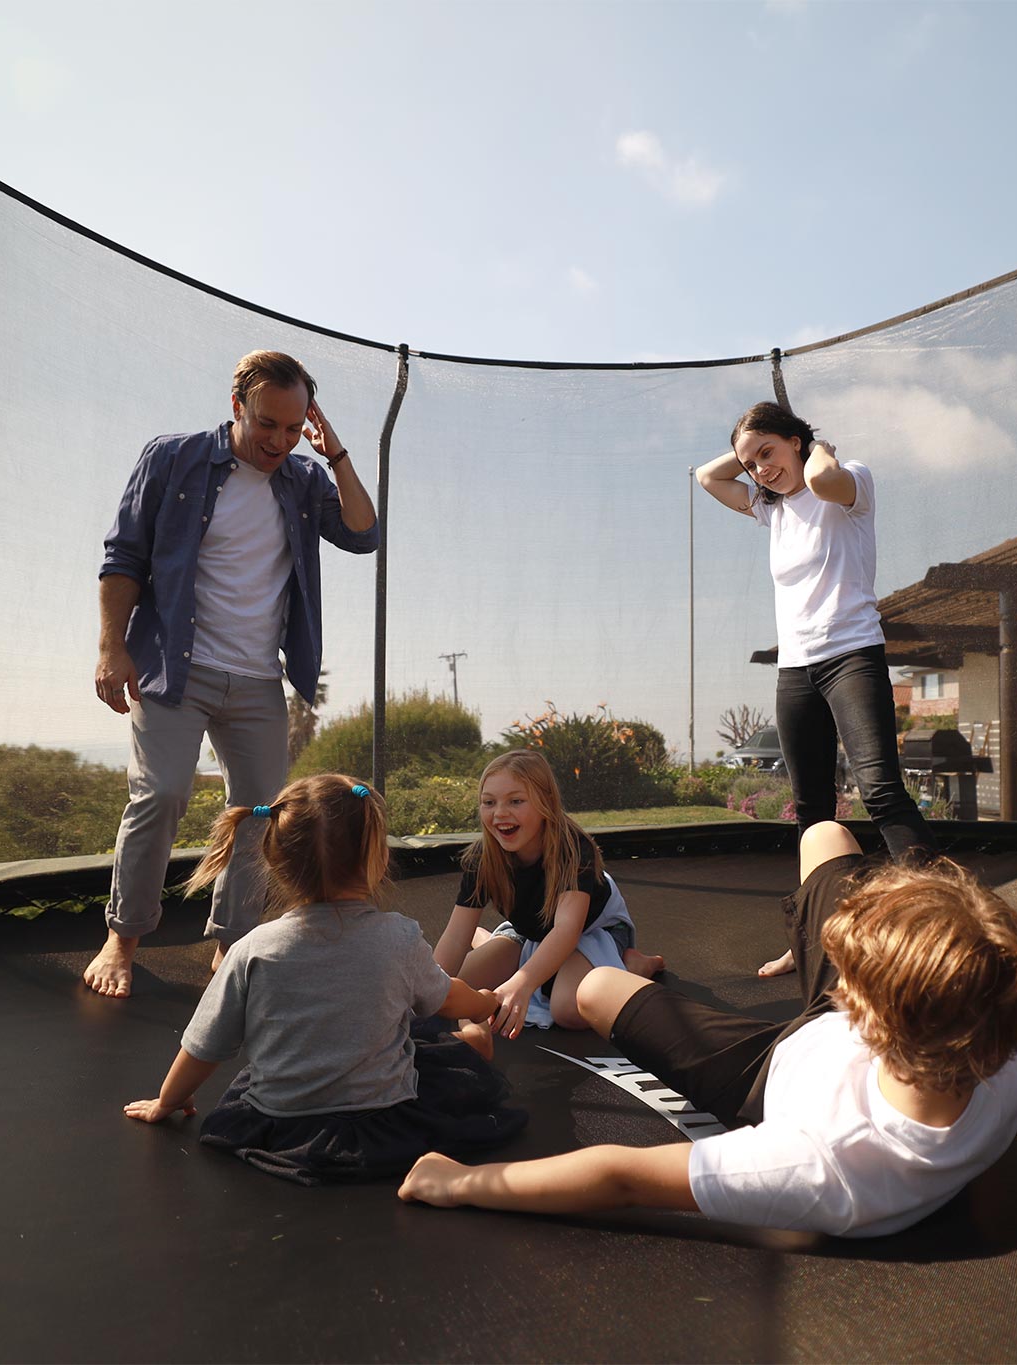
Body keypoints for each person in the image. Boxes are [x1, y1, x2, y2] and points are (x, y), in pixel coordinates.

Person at [398, 821, 1017, 1238]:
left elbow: (620, 1176)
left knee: (593, 989)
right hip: (860, 1035)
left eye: (850, 972)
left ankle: (600, 957)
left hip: (765, 1071)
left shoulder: (823, 1166)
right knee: (824, 835)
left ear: (865, 1012)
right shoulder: (1000, 1051)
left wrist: (458, 1183)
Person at [86, 350, 379, 997]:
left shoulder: (302, 480)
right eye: (266, 423)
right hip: (174, 668)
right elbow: (123, 555)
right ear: (236, 404)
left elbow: (364, 533)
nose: (278, 440)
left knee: (260, 816)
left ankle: (230, 944)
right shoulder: (173, 458)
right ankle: (122, 935)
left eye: (291, 426)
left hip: (256, 681)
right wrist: (112, 647)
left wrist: (334, 452)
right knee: (160, 794)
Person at [124, 774, 527, 1185]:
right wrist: (485, 1004)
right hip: (385, 1116)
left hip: (281, 1124)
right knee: (422, 1029)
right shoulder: (398, 936)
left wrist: (167, 1100)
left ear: (276, 863)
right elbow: (450, 1000)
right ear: (378, 858)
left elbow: (203, 1046)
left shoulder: (252, 948)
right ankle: (471, 1042)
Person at [695, 401, 935, 976]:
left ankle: (942, 925)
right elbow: (708, 477)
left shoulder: (851, 484)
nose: (759, 470)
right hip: (796, 670)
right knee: (812, 812)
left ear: (798, 440)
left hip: (851, 655)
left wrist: (810, 446)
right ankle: (815, 936)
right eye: (751, 463)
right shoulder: (769, 509)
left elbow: (824, 478)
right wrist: (753, 449)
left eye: (769, 454)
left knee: (880, 791)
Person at [433, 749, 665, 1038]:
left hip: (590, 931)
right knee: (454, 989)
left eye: (516, 801)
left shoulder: (572, 849)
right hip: (531, 933)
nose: (500, 813)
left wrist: (522, 983)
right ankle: (492, 941)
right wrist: (427, 991)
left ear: (546, 803)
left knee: (568, 1009)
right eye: (488, 802)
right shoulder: (482, 858)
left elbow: (567, 931)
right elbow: (456, 937)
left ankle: (634, 966)